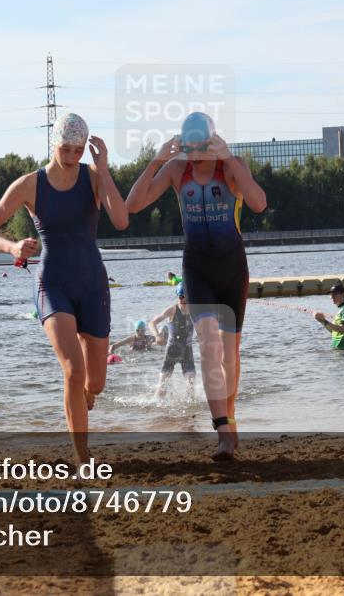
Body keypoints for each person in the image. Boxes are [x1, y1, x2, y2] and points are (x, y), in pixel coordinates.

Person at [0, 113, 128, 463]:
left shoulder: (93, 177)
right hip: (52, 283)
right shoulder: (30, 184)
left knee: (95, 383)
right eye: (65, 149)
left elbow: (121, 220)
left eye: (78, 150)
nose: (72, 156)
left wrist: (104, 169)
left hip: (92, 282)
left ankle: (84, 394)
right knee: (73, 370)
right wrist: (12, 247)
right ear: (53, 143)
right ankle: (82, 458)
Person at [126, 112, 267, 460]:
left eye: (202, 149)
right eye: (189, 150)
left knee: (230, 352)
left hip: (232, 268)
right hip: (197, 268)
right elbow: (133, 205)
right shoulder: (177, 169)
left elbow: (259, 203)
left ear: (212, 142)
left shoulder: (230, 166)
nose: (196, 158)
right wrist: (156, 160)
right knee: (208, 345)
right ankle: (222, 431)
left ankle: (229, 418)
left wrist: (230, 158)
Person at [150, 283, 196, 398]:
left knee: (190, 384)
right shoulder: (172, 310)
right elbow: (152, 323)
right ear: (177, 296)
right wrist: (157, 336)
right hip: (172, 351)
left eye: (186, 297)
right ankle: (155, 404)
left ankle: (192, 407)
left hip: (187, 351)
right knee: (162, 385)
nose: (183, 300)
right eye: (181, 297)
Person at [314, 283, 344, 350]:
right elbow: (333, 331)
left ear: (343, 294)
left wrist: (325, 321)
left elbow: (343, 329)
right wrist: (321, 321)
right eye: (331, 295)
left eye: (335, 294)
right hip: (340, 348)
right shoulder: (341, 309)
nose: (332, 297)